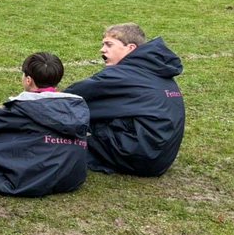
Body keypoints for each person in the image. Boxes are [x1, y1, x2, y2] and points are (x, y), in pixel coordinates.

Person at [64, 24, 185, 176]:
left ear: (131, 48)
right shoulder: (156, 70)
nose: (102, 50)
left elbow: (72, 96)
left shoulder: (121, 75)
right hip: (160, 158)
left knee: (74, 115)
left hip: (139, 156)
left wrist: (39, 101)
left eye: (109, 44)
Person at [0, 52, 90, 198]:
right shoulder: (77, 107)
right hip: (72, 177)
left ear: (28, 80)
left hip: (34, 179)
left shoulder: (19, 108)